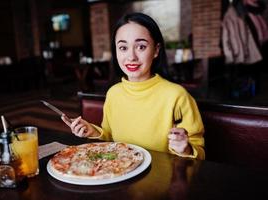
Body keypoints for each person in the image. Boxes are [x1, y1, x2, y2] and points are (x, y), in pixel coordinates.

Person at [62, 13, 205, 159]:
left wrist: (185, 148)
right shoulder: (113, 93)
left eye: (141, 47)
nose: (131, 57)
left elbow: (199, 154)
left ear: (156, 50)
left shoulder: (177, 96)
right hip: (120, 174)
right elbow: (110, 139)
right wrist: (93, 131)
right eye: (123, 48)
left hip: (162, 179)